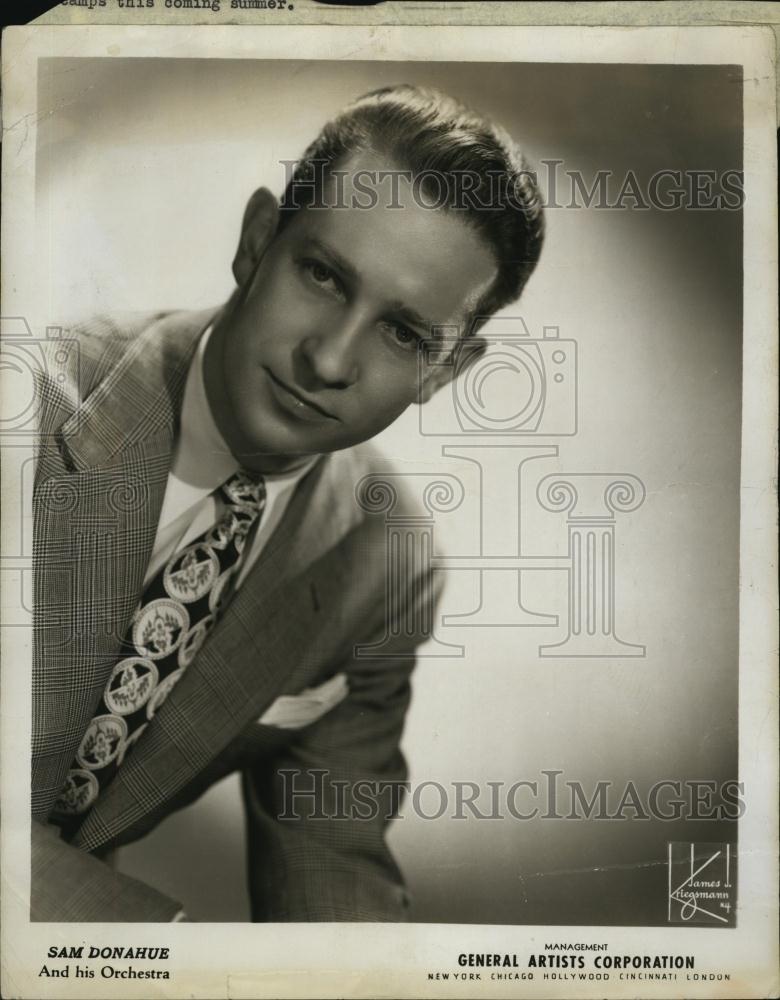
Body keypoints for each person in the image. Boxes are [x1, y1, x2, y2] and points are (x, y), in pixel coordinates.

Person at [30, 84, 544, 922]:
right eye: (322, 275)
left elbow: (329, 859)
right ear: (257, 240)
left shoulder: (385, 563)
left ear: (445, 372)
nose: (331, 360)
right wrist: (172, 958)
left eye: (404, 334)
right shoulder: (32, 403)